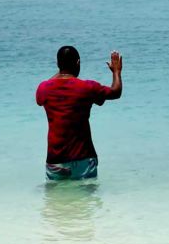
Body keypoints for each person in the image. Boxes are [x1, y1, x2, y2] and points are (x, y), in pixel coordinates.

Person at [36, 46, 123, 181]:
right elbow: (116, 92)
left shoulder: (44, 88)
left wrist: (61, 69)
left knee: (55, 195)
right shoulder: (87, 87)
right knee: (86, 194)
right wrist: (116, 71)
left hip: (56, 160)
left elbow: (44, 91)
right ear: (78, 63)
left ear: (58, 64)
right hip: (84, 159)